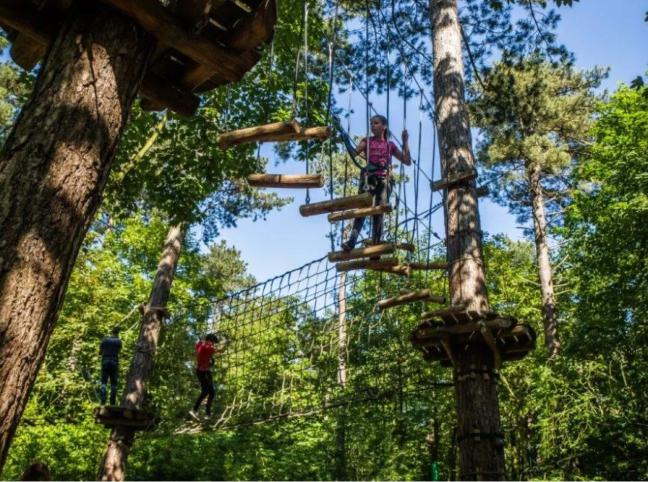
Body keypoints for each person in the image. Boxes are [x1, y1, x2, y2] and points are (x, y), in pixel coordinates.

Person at [342, 115, 411, 252]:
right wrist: (344, 135)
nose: (372, 125)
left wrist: (405, 142)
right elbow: (353, 154)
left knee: (378, 212)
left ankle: (375, 246)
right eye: (371, 123)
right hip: (369, 178)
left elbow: (407, 161)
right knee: (362, 208)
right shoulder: (366, 142)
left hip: (384, 180)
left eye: (376, 123)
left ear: (384, 126)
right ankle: (351, 242)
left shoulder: (390, 145)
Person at [189, 333, 226, 421]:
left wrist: (209, 362)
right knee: (209, 392)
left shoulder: (200, 345)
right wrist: (226, 342)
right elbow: (221, 350)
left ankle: (198, 411)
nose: (214, 344)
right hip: (204, 372)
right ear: (210, 341)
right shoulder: (209, 348)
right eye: (213, 342)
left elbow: (199, 346)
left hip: (202, 370)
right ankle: (203, 412)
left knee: (207, 392)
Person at [99, 326, 122, 405]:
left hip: (105, 361)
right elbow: (118, 352)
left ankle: (102, 400)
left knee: (103, 382)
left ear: (111, 332)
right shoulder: (118, 341)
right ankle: (112, 402)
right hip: (114, 362)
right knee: (114, 383)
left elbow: (100, 352)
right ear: (118, 333)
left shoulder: (105, 340)